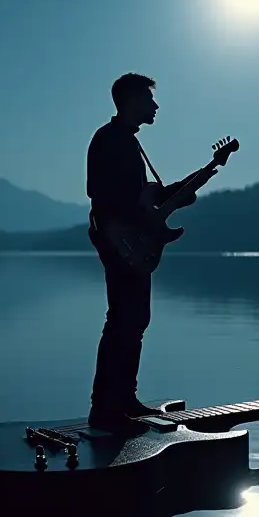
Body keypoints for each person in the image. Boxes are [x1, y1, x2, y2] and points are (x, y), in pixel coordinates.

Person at [86, 73, 209, 434]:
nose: (155, 106)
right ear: (130, 100)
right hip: (118, 242)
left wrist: (189, 185)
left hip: (133, 243)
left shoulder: (130, 143)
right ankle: (105, 410)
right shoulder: (107, 139)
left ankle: (125, 399)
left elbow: (147, 199)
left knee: (135, 321)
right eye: (149, 99)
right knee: (122, 321)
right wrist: (138, 209)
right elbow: (98, 191)